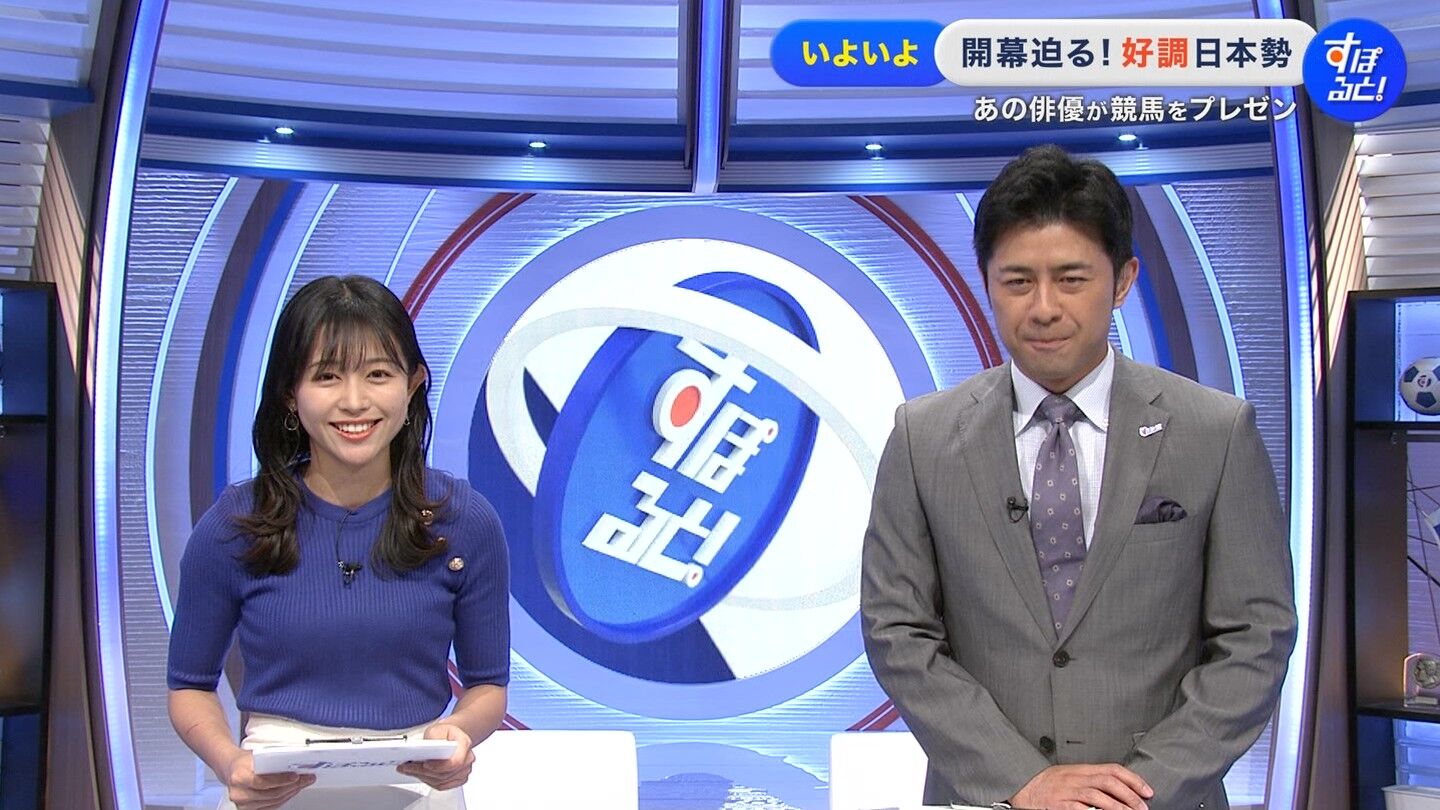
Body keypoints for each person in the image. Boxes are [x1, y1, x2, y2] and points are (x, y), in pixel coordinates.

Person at [860, 145, 1297, 810]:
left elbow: (1254, 638)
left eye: (1071, 279)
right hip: (987, 798)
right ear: (986, 282)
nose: (1043, 308)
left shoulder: (1215, 431)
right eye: (1017, 281)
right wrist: (1021, 778)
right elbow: (898, 631)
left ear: (1123, 281)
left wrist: (1136, 791)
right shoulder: (923, 437)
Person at [167, 275, 510, 810]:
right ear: (290, 393)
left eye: (378, 374)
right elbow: (189, 686)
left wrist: (458, 733)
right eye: (327, 376)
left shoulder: (464, 521)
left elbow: (487, 686)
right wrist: (229, 762)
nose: (354, 401)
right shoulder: (236, 524)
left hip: (419, 782)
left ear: (413, 384)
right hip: (272, 788)